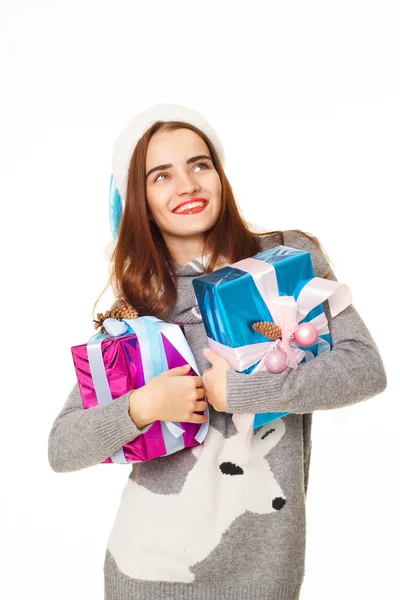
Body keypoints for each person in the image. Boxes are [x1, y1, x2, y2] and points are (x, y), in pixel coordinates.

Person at [48, 103, 387, 600]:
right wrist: (143, 406)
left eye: (199, 165)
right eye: (160, 175)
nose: (186, 184)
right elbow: (62, 447)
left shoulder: (287, 261)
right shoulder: (137, 314)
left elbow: (365, 369)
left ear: (219, 176)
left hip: (264, 572)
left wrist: (245, 390)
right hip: (147, 571)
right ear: (138, 201)